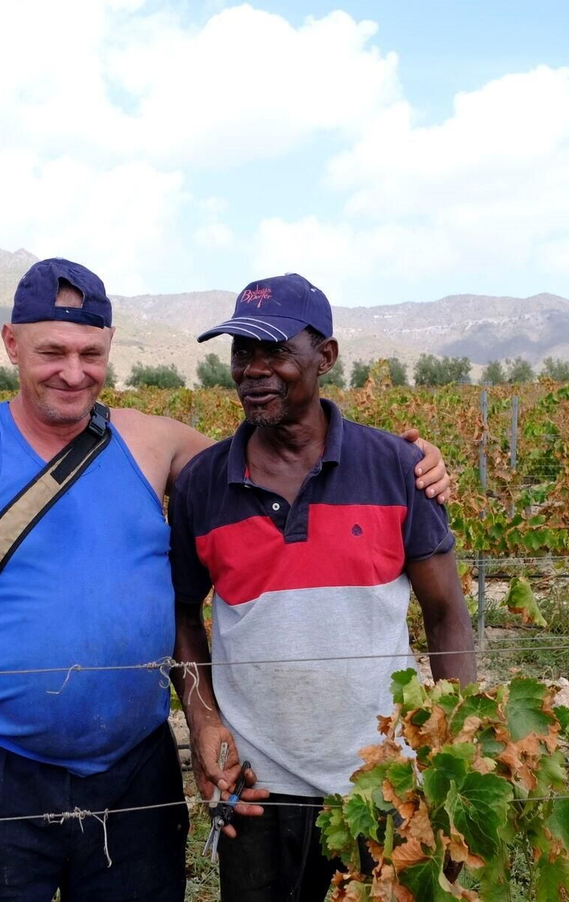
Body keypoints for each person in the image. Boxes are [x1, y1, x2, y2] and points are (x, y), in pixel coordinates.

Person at [0, 259, 454, 902]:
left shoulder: (158, 445)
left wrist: (412, 462)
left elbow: (282, 456)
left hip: (134, 774)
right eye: (53, 350)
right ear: (11, 345)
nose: (73, 372)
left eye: (91, 353)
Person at [169, 273, 477, 902]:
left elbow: (447, 615)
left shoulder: (398, 468)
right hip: (255, 788)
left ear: (325, 357)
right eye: (241, 353)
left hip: (383, 783)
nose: (255, 370)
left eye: (276, 351)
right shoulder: (202, 484)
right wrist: (203, 719)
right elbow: (180, 613)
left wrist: (453, 748)